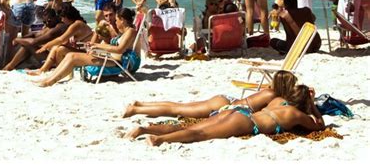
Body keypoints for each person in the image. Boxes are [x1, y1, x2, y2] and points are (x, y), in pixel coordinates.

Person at [127, 85, 325, 146]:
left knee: (190, 127)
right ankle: (159, 139)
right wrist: (314, 106)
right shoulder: (296, 114)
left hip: (237, 111)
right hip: (246, 122)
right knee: (201, 135)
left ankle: (145, 129)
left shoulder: (277, 101)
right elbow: (319, 126)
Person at [123, 70, 297, 119]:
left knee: (181, 106)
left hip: (226, 99)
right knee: (179, 109)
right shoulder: (273, 96)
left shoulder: (268, 89)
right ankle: (136, 110)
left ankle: (141, 105)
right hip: (225, 105)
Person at [34, 7, 138, 87]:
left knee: (73, 57)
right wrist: (97, 46)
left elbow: (120, 49)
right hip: (111, 58)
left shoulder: (131, 31)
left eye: (116, 20)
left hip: (118, 62)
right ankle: (49, 79)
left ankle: (50, 82)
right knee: (70, 55)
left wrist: (97, 45)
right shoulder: (124, 32)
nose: (115, 22)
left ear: (122, 20)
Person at [27, 3, 93, 75]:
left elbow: (61, 39)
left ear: (67, 17)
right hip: (83, 50)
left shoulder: (77, 25)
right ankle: (45, 70)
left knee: (60, 49)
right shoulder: (75, 24)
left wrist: (46, 46)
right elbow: (65, 42)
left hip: (88, 53)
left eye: (62, 17)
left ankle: (56, 71)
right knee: (57, 48)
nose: (61, 20)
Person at [2, 8, 69, 71]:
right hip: (47, 55)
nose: (47, 23)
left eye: (49, 21)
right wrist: (22, 38)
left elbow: (34, 42)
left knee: (28, 45)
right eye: (44, 22)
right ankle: (11, 65)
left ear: (56, 17)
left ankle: (10, 66)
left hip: (54, 58)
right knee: (25, 44)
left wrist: (17, 40)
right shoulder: (49, 26)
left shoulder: (59, 27)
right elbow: (35, 34)